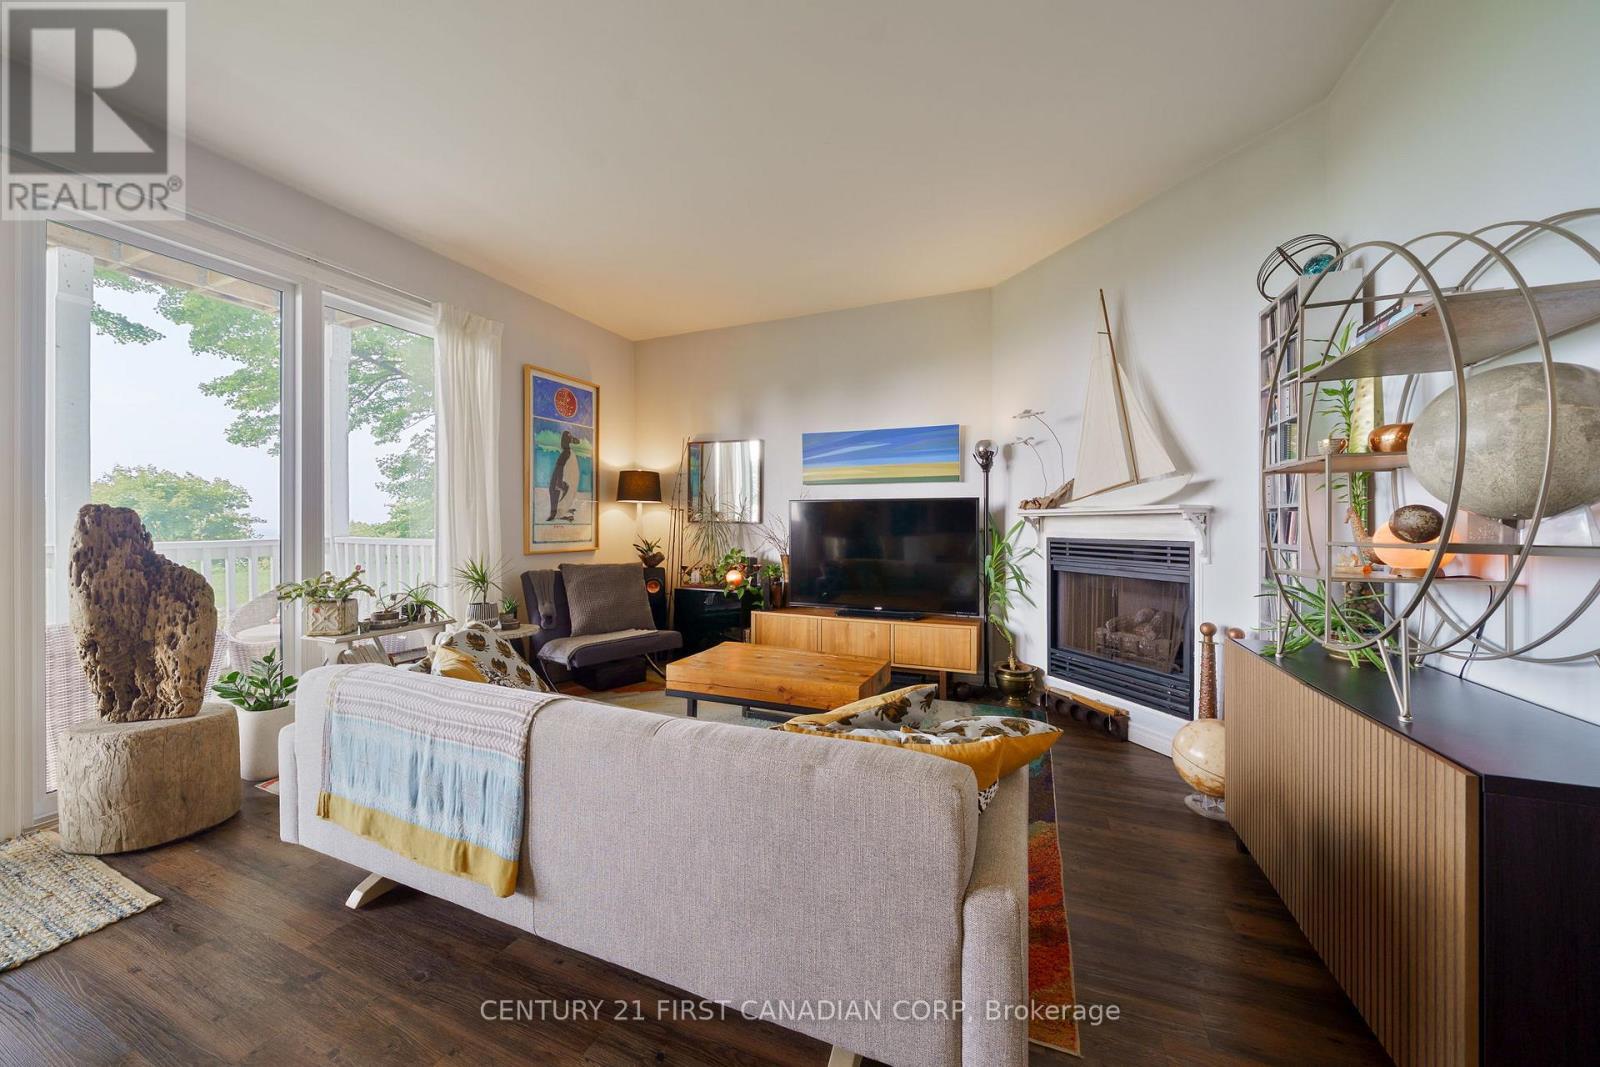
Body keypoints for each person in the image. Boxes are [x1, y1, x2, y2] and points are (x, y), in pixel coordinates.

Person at [546, 429, 576, 522]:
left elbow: (560, 467)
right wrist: (559, 482)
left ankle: (559, 512)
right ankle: (557, 512)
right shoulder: (566, 453)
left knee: (559, 489)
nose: (571, 438)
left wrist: (559, 483)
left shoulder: (566, 453)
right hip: (558, 479)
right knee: (556, 490)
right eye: (569, 437)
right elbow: (560, 467)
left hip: (559, 478)